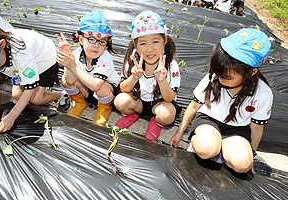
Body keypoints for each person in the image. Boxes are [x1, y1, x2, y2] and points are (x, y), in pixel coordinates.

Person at [170, 28, 273, 173]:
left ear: (252, 72)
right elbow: (194, 106)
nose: (220, 78)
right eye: (219, 73)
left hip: (237, 129)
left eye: (227, 77)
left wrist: (251, 154)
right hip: (209, 120)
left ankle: (223, 148)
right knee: (206, 149)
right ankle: (209, 146)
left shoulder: (263, 93)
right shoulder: (213, 77)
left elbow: (256, 127)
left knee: (242, 165)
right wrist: (179, 133)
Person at [0, 22, 69, 133]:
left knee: (36, 99)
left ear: (2, 44)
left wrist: (11, 117)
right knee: (17, 95)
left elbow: (30, 86)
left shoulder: (20, 52)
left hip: (44, 60)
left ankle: (62, 95)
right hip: (21, 67)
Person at [114, 11, 181, 140]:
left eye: (155, 42)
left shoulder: (170, 65)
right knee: (120, 101)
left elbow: (169, 97)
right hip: (138, 102)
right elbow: (123, 89)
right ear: (135, 44)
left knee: (167, 114)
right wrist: (134, 77)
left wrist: (162, 81)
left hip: (160, 103)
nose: (149, 49)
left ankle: (157, 122)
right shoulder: (132, 59)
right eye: (143, 43)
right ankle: (132, 115)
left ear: (164, 40)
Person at [56, 11, 120, 125]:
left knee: (101, 88)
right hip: (87, 91)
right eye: (91, 39)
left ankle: (104, 109)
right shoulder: (77, 53)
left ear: (107, 43)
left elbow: (96, 85)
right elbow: (69, 81)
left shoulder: (106, 57)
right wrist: (69, 58)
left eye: (102, 41)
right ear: (81, 39)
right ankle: (79, 102)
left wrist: (73, 66)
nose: (96, 45)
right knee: (64, 81)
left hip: (107, 94)